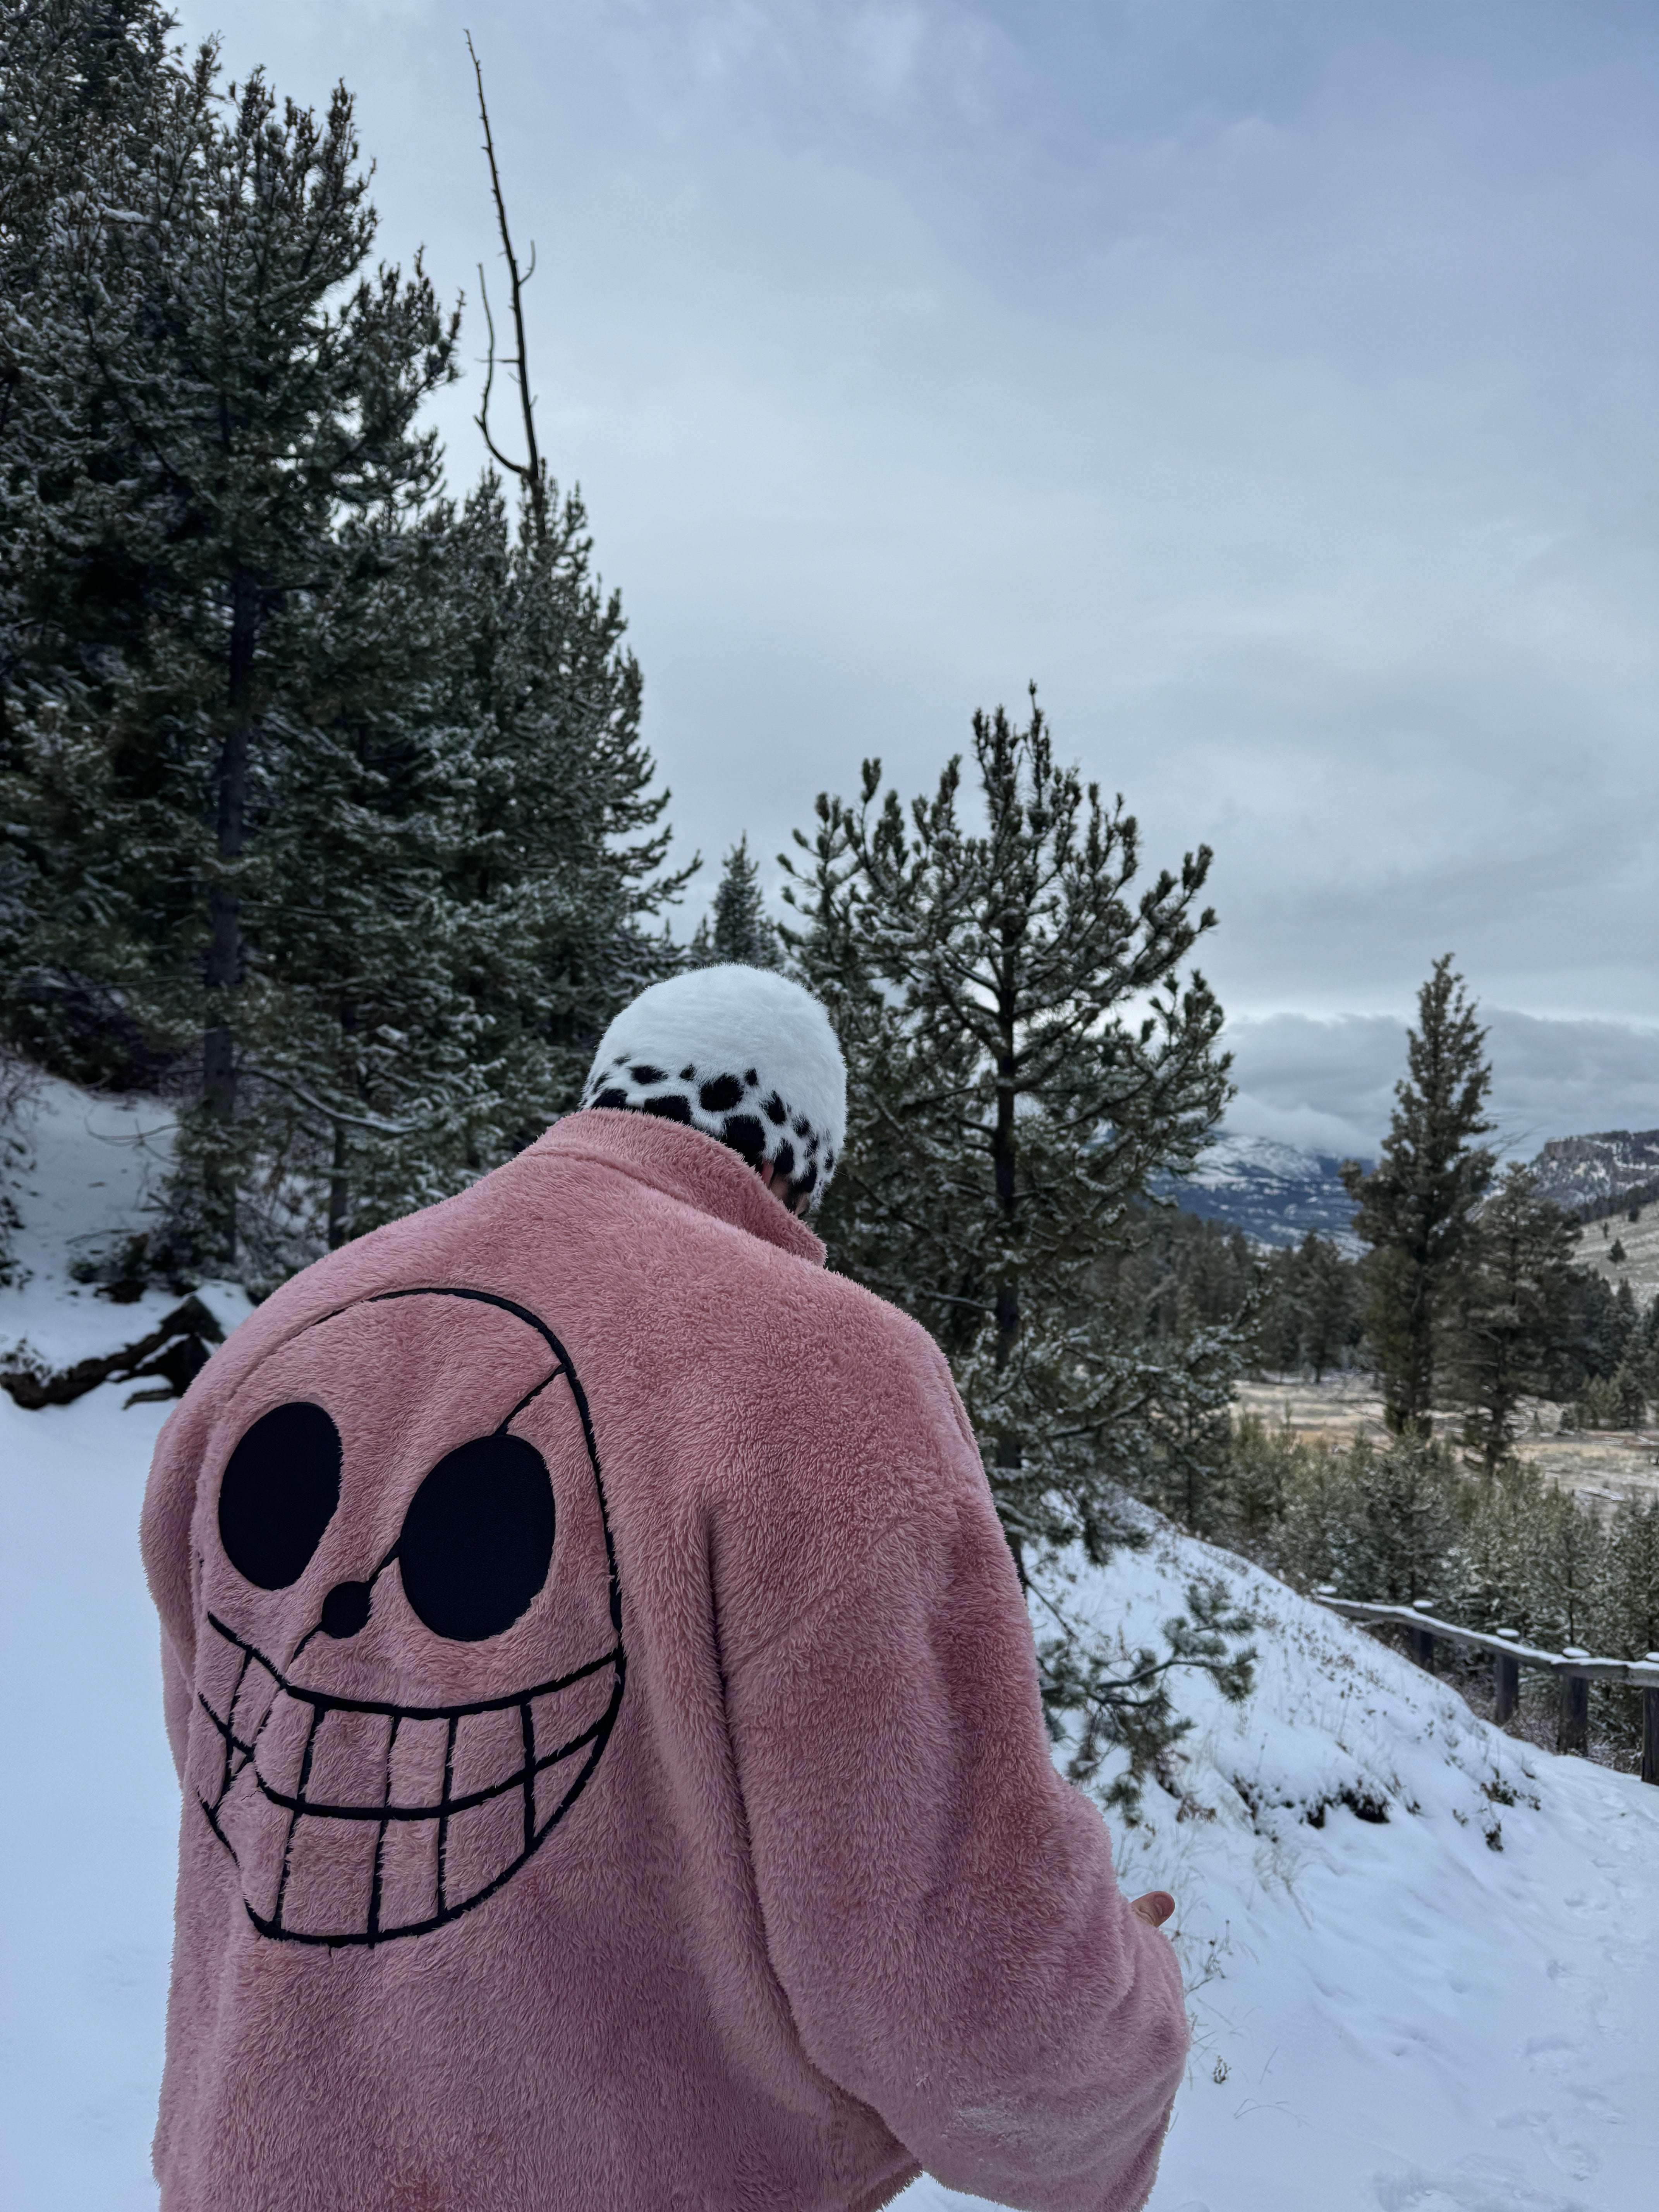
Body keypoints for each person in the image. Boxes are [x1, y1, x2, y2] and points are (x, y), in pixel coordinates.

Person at [141, 963, 1188, 2212]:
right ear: (795, 1173)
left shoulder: (286, 1331)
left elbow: (246, 1785)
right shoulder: (824, 1372)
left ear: (608, 1095)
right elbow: (948, 1974)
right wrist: (1128, 2017)